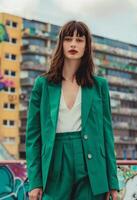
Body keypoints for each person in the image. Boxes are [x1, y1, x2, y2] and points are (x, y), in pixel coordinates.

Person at [26, 20, 120, 200]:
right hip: (55, 159)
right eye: (68, 39)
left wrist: (112, 183)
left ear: (87, 45)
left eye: (79, 40)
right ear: (61, 44)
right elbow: (33, 137)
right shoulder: (43, 85)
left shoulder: (99, 86)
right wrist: (35, 182)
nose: (74, 44)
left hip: (91, 163)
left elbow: (107, 134)